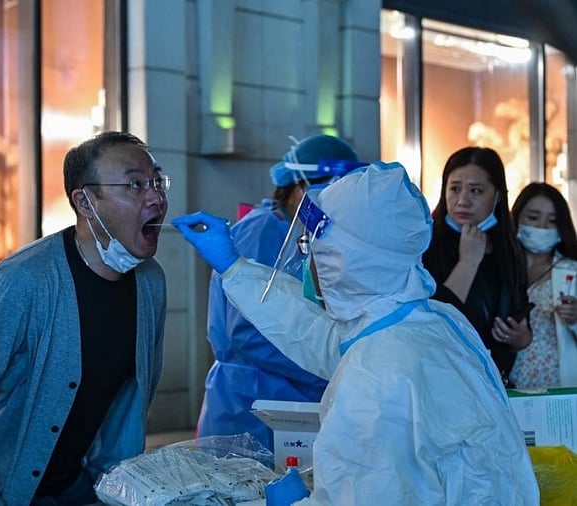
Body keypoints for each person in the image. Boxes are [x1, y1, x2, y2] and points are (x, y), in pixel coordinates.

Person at [174, 162, 539, 504]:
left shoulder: (377, 375)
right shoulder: (426, 321)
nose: (310, 261)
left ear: (341, 262)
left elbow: (363, 495)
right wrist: (235, 269)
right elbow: (319, 336)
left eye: (313, 249)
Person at [0, 131, 169, 506]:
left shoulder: (150, 281)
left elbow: (131, 399)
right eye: (134, 184)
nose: (156, 197)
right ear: (85, 202)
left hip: (71, 483)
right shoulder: (24, 281)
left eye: (155, 181)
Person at [198, 134, 362, 450]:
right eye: (332, 190)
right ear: (300, 187)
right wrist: (327, 368)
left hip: (296, 401)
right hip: (252, 402)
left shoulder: (308, 233)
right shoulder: (262, 230)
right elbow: (247, 332)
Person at [422, 146, 533, 387]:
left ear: (497, 196)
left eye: (476, 191)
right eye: (454, 189)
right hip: (445, 381)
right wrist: (468, 262)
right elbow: (434, 317)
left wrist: (521, 337)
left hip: (495, 383)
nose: (462, 201)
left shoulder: (510, 249)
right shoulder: (426, 243)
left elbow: (520, 311)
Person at [509, 182, 577, 388]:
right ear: (517, 218)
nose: (541, 227)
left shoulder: (572, 271)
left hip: (558, 385)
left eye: (552, 221)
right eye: (533, 217)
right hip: (507, 385)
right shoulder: (500, 270)